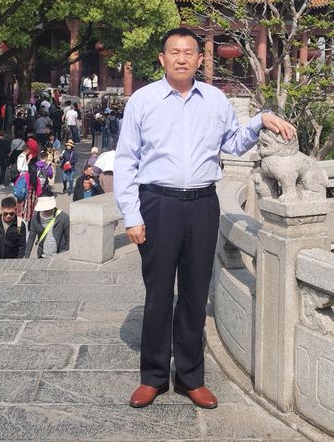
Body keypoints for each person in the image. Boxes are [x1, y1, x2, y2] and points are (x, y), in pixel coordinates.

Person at [114, 27, 294, 409]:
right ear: (162, 58)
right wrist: (132, 215)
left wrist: (260, 120)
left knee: (195, 293)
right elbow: (126, 160)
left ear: (200, 59)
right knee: (158, 294)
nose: (181, 58)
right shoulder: (142, 101)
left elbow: (233, 144)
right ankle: (153, 377)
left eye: (188, 52)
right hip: (158, 203)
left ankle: (190, 377)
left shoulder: (215, 100)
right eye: (174, 52)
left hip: (202, 204)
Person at [15, 139, 40, 223]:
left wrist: (28, 160)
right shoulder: (21, 157)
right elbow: (20, 168)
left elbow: (25, 165)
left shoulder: (24, 157)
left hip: (25, 178)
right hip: (24, 178)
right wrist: (26, 170)